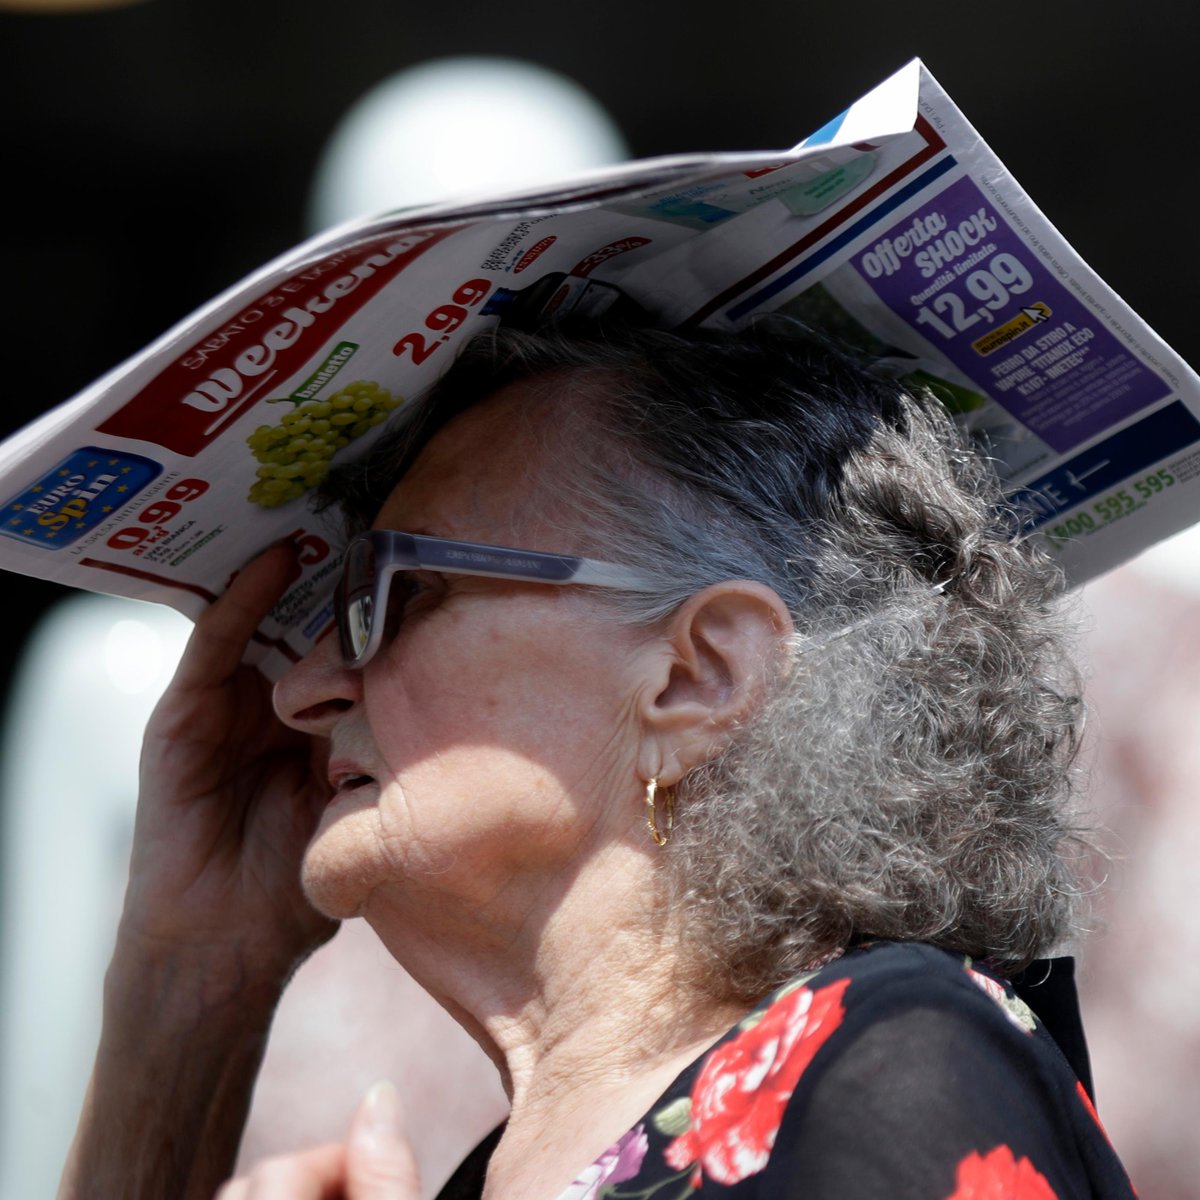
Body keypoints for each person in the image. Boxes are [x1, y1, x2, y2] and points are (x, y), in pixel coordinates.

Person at [58, 319, 1136, 1200]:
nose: (301, 691)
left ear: (698, 676)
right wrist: (191, 981)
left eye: (400, 593)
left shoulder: (893, 1058)